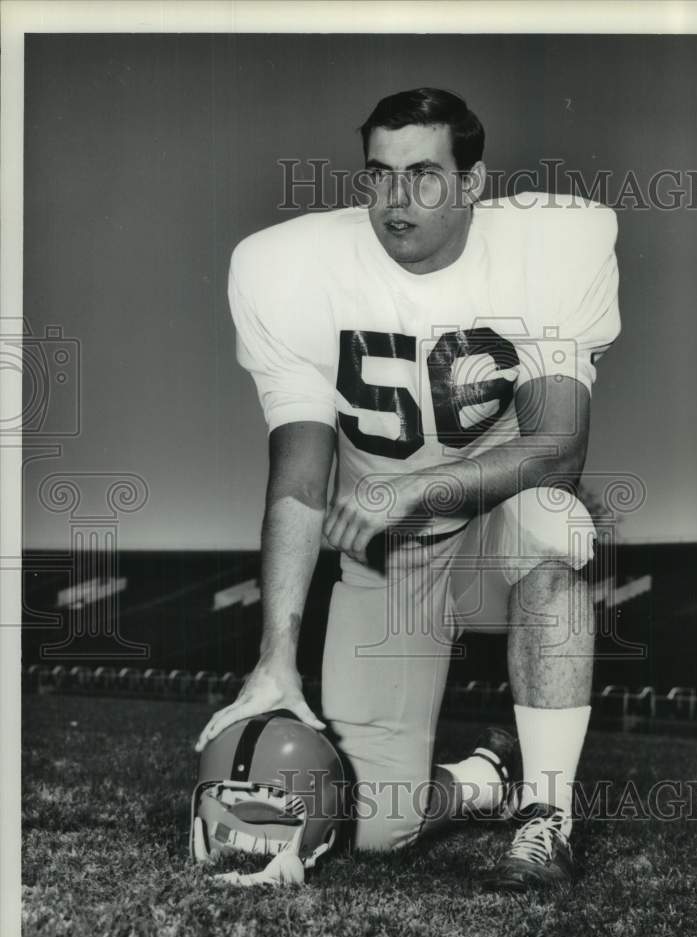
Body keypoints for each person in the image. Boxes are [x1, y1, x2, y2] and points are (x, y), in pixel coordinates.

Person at [196, 87, 621, 892]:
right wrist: (274, 658)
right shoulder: (288, 266)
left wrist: (425, 485)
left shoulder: (550, 243)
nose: (396, 200)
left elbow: (557, 448)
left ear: (470, 184)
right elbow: (297, 476)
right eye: (379, 175)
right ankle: (483, 780)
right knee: (378, 828)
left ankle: (547, 812)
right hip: (386, 549)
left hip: (493, 510)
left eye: (423, 175)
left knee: (554, 523)